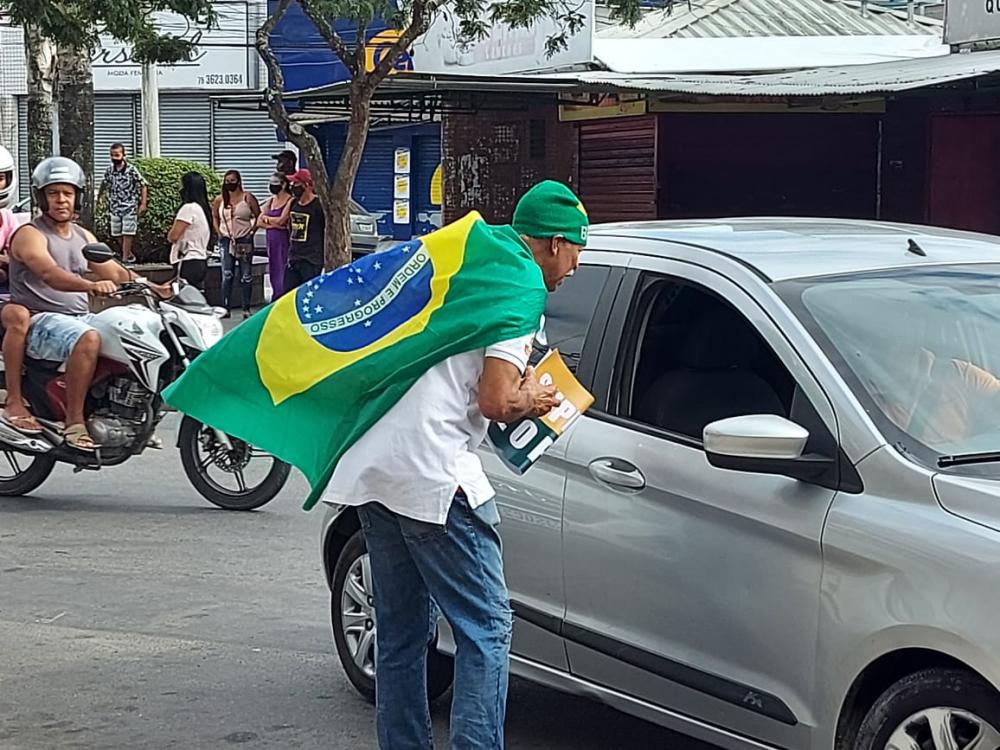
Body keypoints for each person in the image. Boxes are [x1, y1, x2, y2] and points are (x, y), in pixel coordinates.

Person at [323, 180, 588, 750]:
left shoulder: (471, 257)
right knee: (486, 629)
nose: (576, 267)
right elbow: (496, 400)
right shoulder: (521, 284)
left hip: (375, 464)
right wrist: (533, 397)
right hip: (435, 476)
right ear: (555, 243)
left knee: (400, 632)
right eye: (577, 251)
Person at [5, 156, 135, 449]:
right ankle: (74, 422)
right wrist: (91, 285)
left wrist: (155, 286)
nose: (61, 200)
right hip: (41, 319)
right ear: (41, 197)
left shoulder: (82, 235)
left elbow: (115, 271)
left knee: (129, 333)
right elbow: (50, 274)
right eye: (53, 193)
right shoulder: (29, 235)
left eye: (68, 192)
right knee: (88, 337)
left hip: (78, 317)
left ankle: (128, 414)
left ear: (78, 197)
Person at [212, 170, 260, 319]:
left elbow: (258, 215)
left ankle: (246, 308)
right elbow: (214, 216)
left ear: (238, 181)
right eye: (227, 181)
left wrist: (252, 232)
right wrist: (218, 232)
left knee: (246, 275)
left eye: (232, 180)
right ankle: (226, 308)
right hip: (226, 238)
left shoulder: (248, 198)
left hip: (244, 239)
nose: (229, 184)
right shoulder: (220, 199)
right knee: (227, 274)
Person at [98, 143, 147, 265]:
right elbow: (104, 183)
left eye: (117, 155)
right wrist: (100, 197)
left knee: (127, 233)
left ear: (124, 155)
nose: (114, 158)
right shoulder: (109, 170)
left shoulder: (131, 170)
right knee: (116, 233)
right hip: (115, 206)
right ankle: (129, 254)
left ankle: (125, 259)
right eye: (112, 155)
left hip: (129, 206)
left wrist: (143, 203)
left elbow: (143, 184)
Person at [167, 172, 213, 290]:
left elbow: (174, 236)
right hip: (200, 259)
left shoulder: (188, 208)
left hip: (187, 260)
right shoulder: (203, 209)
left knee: (183, 296)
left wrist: (169, 234)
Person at [284, 169, 325, 292]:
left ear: (306, 185)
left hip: (311, 259)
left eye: (296, 183)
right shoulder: (294, 203)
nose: (293, 186)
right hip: (294, 256)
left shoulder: (318, 205)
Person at [256, 172, 293, 301]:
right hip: (271, 240)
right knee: (273, 267)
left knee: (283, 266)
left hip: (283, 240)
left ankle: (282, 294)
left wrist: (268, 220)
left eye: (275, 183)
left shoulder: (290, 200)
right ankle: (275, 294)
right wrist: (273, 224)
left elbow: (282, 220)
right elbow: (259, 221)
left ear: (284, 185)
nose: (272, 186)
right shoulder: (271, 200)